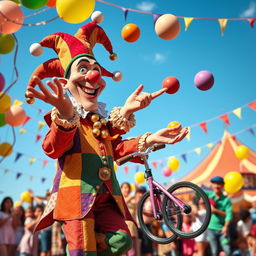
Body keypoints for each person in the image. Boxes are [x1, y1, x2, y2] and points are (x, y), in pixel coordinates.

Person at [25, 12, 188, 256]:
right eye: (83, 69)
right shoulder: (66, 118)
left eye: (95, 69)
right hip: (76, 197)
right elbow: (52, 148)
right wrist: (66, 113)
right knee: (83, 250)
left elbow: (116, 149)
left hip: (106, 197)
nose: (93, 76)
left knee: (123, 241)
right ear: (66, 81)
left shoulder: (100, 121)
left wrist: (150, 138)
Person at [205, 176, 233, 256]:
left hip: (223, 230)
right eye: (215, 183)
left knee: (227, 251)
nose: (217, 186)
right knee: (214, 252)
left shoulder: (226, 200)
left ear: (223, 186)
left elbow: (229, 215)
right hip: (211, 229)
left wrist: (226, 226)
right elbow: (196, 192)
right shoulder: (208, 195)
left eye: (219, 184)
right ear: (212, 185)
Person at [121, 182, 139, 256]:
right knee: (123, 252)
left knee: (132, 252)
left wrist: (137, 191)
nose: (127, 189)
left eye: (128, 188)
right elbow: (124, 203)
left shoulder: (133, 200)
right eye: (125, 188)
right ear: (120, 189)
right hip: (122, 229)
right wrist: (134, 194)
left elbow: (138, 203)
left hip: (132, 229)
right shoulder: (120, 199)